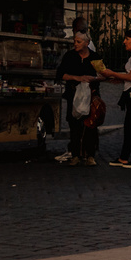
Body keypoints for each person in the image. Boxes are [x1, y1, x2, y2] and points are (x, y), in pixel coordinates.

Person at [56, 28, 102, 166]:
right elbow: (60, 74)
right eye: (74, 41)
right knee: (74, 124)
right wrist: (77, 78)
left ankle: (90, 155)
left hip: (91, 96)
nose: (75, 44)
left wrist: (92, 79)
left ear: (86, 43)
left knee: (90, 125)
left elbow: (103, 74)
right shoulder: (70, 56)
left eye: (78, 41)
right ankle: (75, 154)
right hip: (73, 94)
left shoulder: (95, 57)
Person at [102, 31, 131, 167]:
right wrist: (118, 78)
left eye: (127, 39)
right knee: (129, 127)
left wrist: (113, 73)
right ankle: (124, 157)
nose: (124, 42)